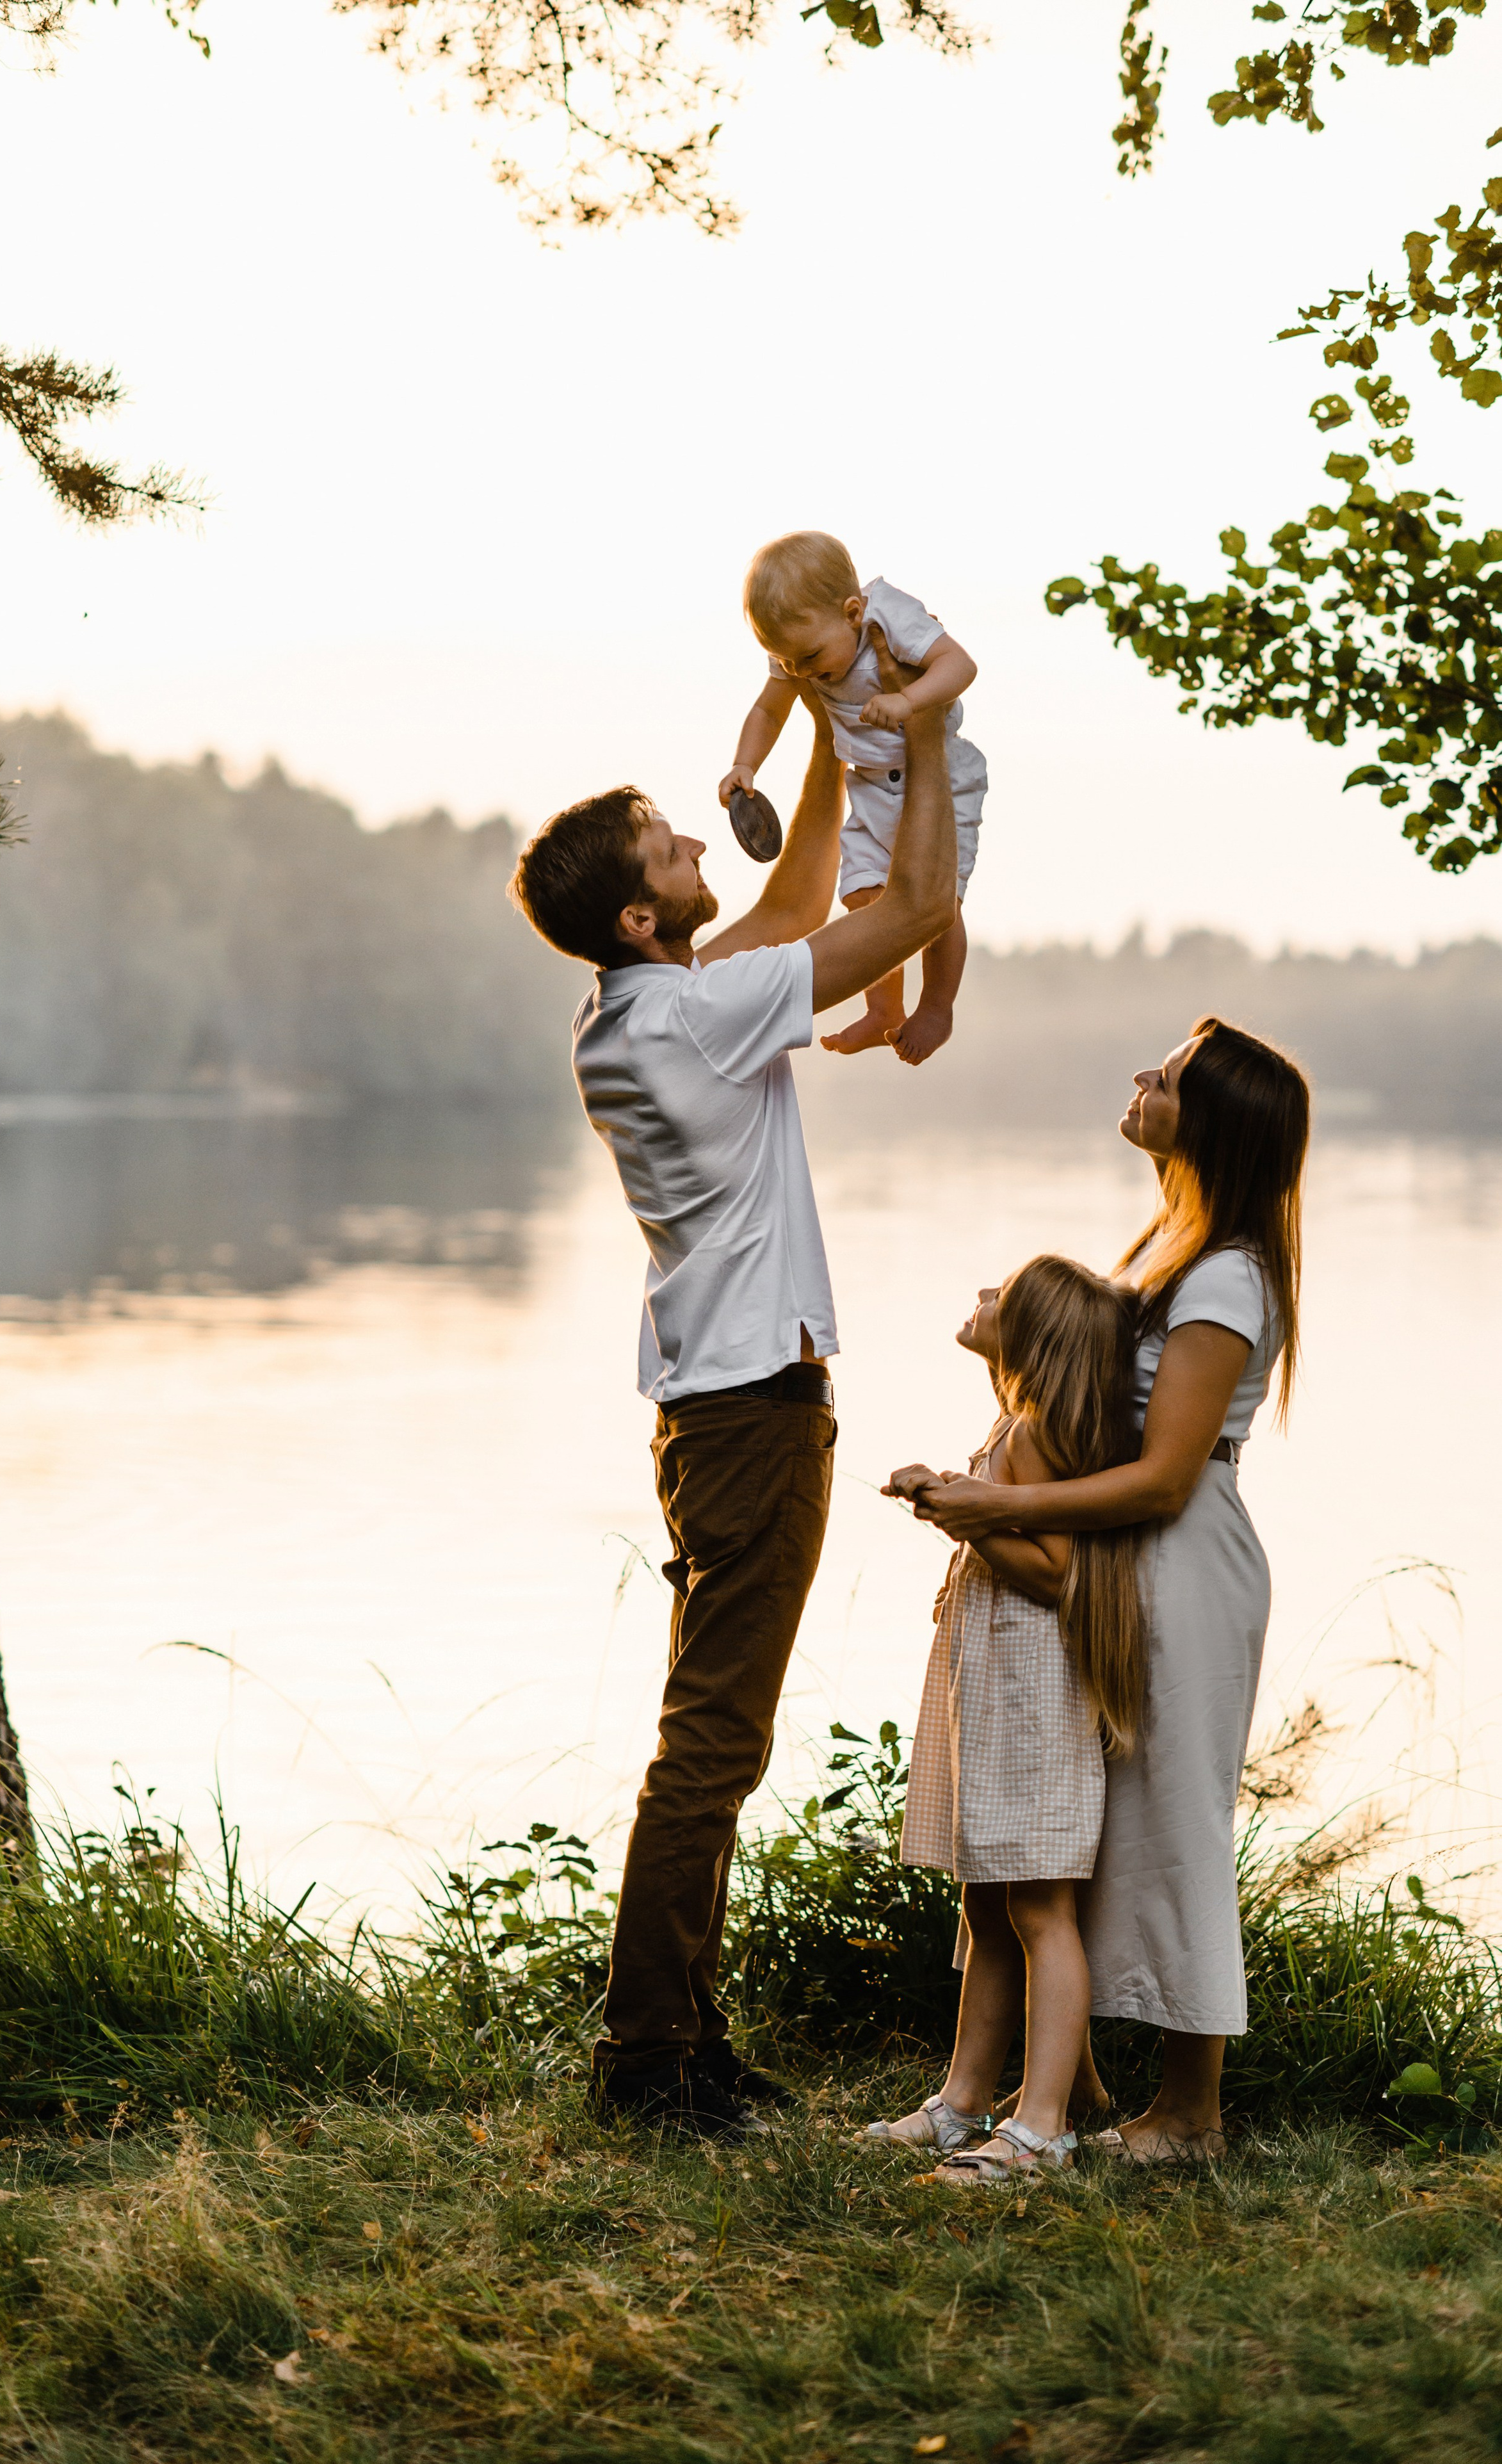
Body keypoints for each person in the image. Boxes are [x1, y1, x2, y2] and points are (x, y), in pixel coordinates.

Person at [508, 644, 958, 2140]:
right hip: (750, 1415)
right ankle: (648, 2064)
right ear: (639, 917)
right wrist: (919, 725)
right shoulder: (693, 1015)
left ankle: (685, 2044)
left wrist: (829, 725)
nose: (696, 841)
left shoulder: (642, 1008)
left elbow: (797, 895)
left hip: (716, 1411)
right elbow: (908, 907)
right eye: (666, 845)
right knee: (711, 1743)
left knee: (712, 1736)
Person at [900, 1019, 1309, 2164]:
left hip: (1181, 1560)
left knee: (1176, 1825)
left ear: (1211, 1121)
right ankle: (1061, 2084)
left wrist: (993, 1510)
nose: (1142, 1079)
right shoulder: (1172, 1245)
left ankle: (1189, 2114)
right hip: (1120, 1556)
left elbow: (1167, 1472)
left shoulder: (1227, 1275)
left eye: (1167, 1078)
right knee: (1083, 1823)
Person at [866, 1256, 1147, 2184]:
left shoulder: (1032, 1438)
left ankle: (1042, 2126)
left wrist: (966, 1519)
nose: (983, 1294)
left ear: (1030, 1337)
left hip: (1033, 1698)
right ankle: (962, 2102)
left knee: (1038, 1907)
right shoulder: (1013, 1426)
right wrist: (950, 1495)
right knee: (987, 1900)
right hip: (996, 1692)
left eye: (1002, 1296)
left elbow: (1061, 1574)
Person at [719, 530, 987, 1065]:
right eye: (787, 662)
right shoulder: (799, 650)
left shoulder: (890, 616)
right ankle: (884, 1007)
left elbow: (960, 666)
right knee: (864, 894)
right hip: (869, 783)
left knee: (938, 902)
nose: (800, 673)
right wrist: (745, 764)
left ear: (851, 613)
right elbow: (769, 709)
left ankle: (937, 1007)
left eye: (809, 657)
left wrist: (910, 701)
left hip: (941, 776)